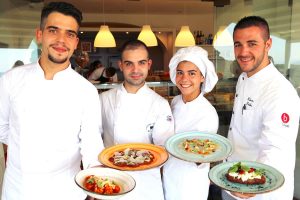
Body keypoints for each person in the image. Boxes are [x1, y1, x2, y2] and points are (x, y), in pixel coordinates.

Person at [0, 2, 104, 200]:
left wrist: (96, 179)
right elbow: (2, 129)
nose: (61, 40)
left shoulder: (87, 91)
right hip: (18, 189)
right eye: (53, 30)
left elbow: (91, 142)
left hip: (66, 190)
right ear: (40, 35)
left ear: (75, 43)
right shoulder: (11, 80)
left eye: (70, 34)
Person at [223, 16, 300, 200]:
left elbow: (275, 150)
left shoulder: (280, 92)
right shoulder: (244, 78)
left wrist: (250, 186)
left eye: (252, 44)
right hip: (232, 180)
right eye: (238, 44)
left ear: (268, 44)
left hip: (259, 191)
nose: (243, 52)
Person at [99, 40, 174, 200]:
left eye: (141, 63)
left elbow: (163, 149)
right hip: (112, 181)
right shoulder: (104, 99)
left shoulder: (160, 104)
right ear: (120, 65)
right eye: (129, 64)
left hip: (147, 185)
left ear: (149, 64)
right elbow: (92, 139)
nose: (135, 70)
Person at [163, 46, 219, 200]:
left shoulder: (207, 113)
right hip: (169, 174)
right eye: (180, 73)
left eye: (192, 73)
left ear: (202, 77)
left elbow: (203, 155)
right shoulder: (175, 101)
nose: (184, 79)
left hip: (190, 182)